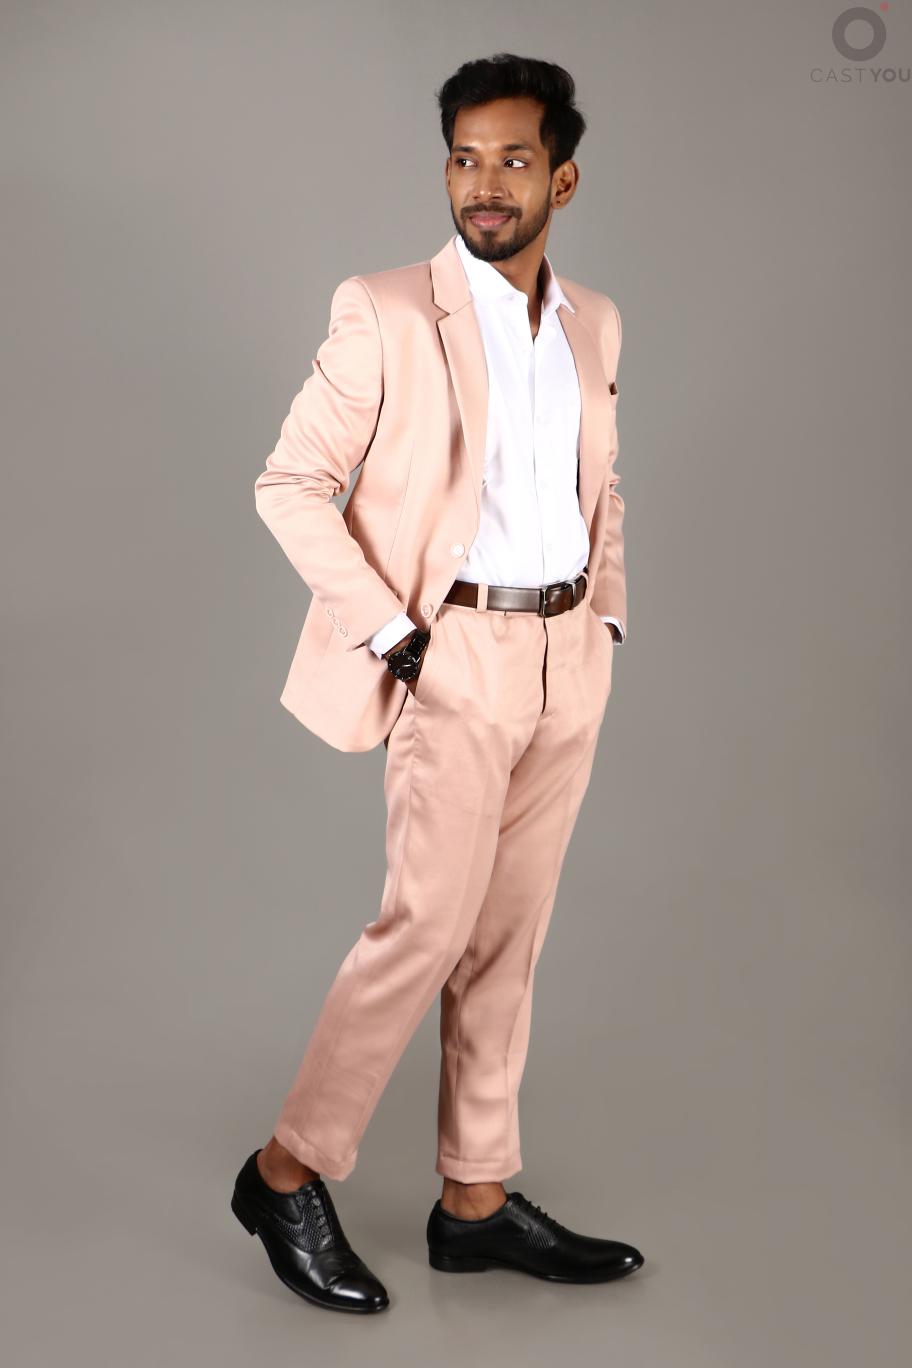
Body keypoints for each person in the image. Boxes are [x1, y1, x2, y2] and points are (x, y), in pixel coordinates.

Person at [232, 52, 644, 1314]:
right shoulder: (387, 310)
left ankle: (474, 1198)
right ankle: (287, 1171)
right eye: (465, 158)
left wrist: (605, 616)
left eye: (514, 159)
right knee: (425, 929)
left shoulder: (594, 322)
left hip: (566, 658)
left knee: (509, 938)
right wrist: (395, 637)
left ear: (563, 179)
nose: (485, 184)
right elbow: (290, 484)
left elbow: (601, 484)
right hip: (451, 651)